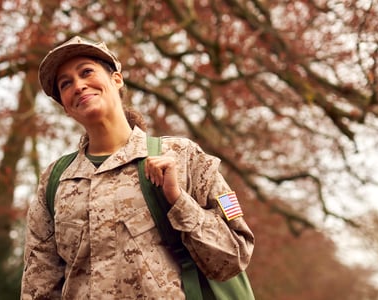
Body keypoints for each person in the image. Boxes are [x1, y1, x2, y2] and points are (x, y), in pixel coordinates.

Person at [21, 36, 254, 299]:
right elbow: (38, 285)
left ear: (117, 79)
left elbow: (234, 256)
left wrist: (178, 200)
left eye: (86, 72)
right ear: (65, 107)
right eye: (66, 84)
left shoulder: (184, 157)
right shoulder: (54, 181)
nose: (79, 85)